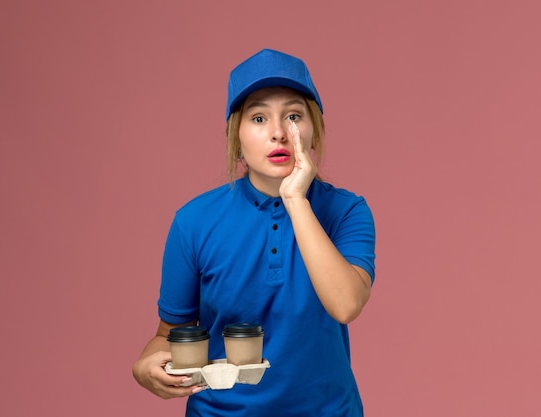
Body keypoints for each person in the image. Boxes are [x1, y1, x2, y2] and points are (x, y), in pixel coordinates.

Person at [132, 48, 376, 416]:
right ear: (237, 138)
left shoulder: (347, 211)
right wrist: (143, 367)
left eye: (293, 116)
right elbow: (169, 335)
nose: (278, 132)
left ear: (314, 133)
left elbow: (345, 304)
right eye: (259, 118)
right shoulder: (193, 222)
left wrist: (295, 200)